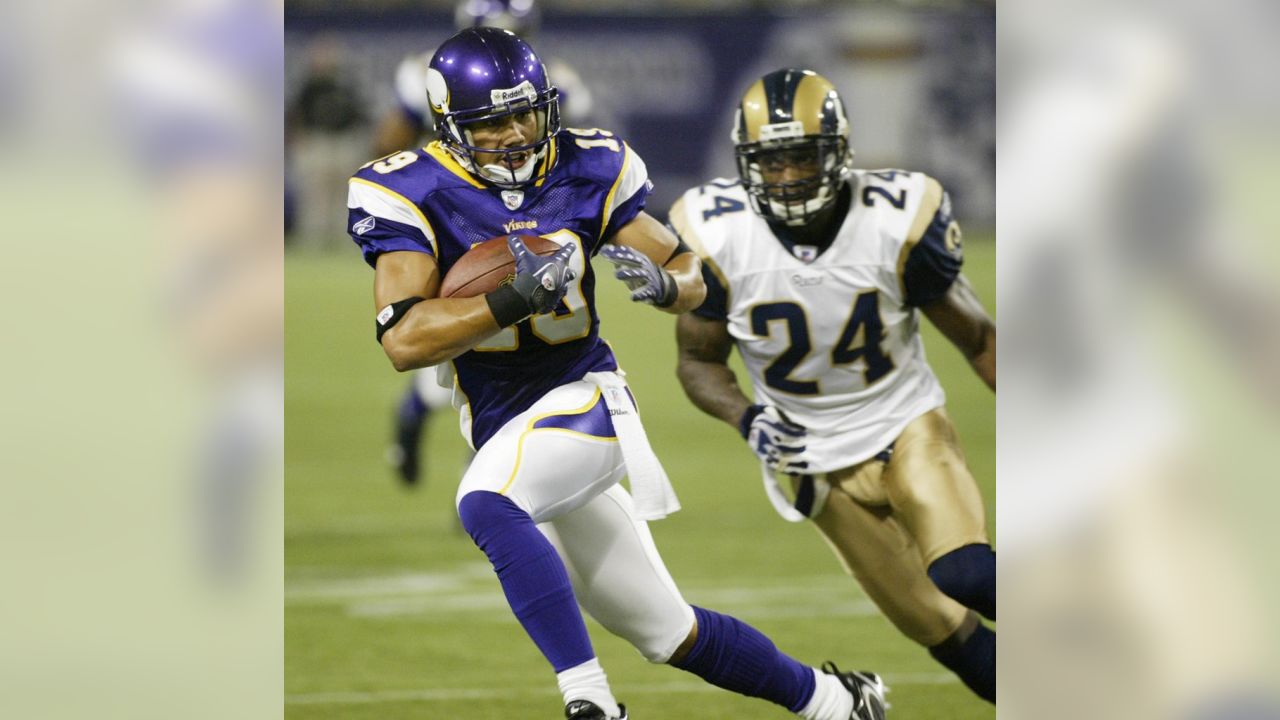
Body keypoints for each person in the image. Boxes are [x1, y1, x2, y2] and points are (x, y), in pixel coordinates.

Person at [346, 29, 888, 720]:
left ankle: (591, 702)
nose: (515, 133)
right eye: (492, 121)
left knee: (486, 503)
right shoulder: (407, 187)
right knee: (668, 632)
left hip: (587, 400)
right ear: (451, 127)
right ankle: (838, 703)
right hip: (506, 426)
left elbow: (693, 269)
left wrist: (669, 289)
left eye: (526, 113)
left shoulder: (588, 164)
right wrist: (515, 295)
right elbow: (404, 340)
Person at [670, 68, 997, 703]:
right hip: (810, 464)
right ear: (745, 164)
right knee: (955, 640)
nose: (788, 177)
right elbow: (697, 362)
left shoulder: (897, 218)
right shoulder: (714, 233)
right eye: (771, 162)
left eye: (802, 158)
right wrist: (747, 418)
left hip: (905, 425)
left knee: (967, 574)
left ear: (839, 153)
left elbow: (979, 338)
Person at [375, 0, 596, 488]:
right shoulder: (425, 73)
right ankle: (418, 418)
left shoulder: (553, 79)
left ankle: (489, 465)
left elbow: (574, 158)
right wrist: (416, 212)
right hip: (454, 223)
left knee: (519, 343)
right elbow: (390, 146)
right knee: (459, 335)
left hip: (531, 219)